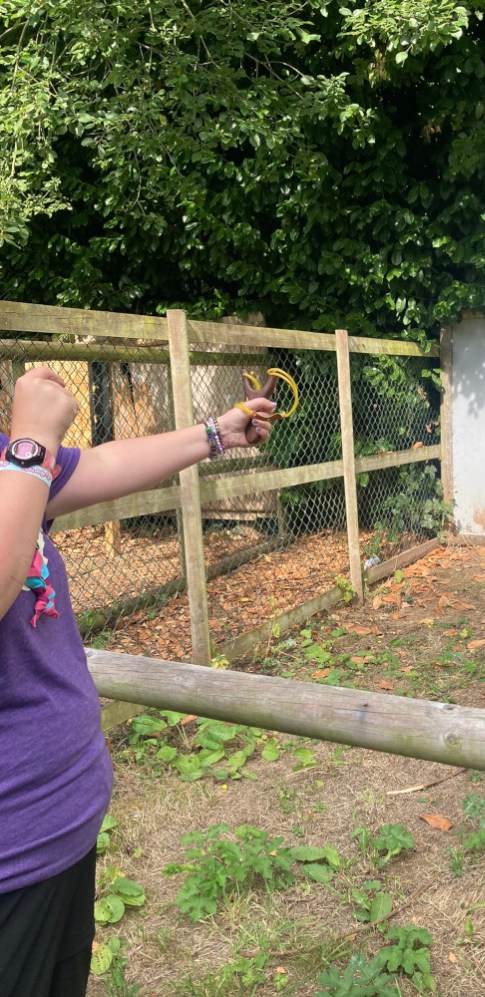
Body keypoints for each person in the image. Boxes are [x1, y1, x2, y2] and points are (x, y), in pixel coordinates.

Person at [0, 365, 276, 997]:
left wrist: (217, 434)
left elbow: (97, 467)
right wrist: (30, 441)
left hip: (58, 828)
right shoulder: (19, 454)